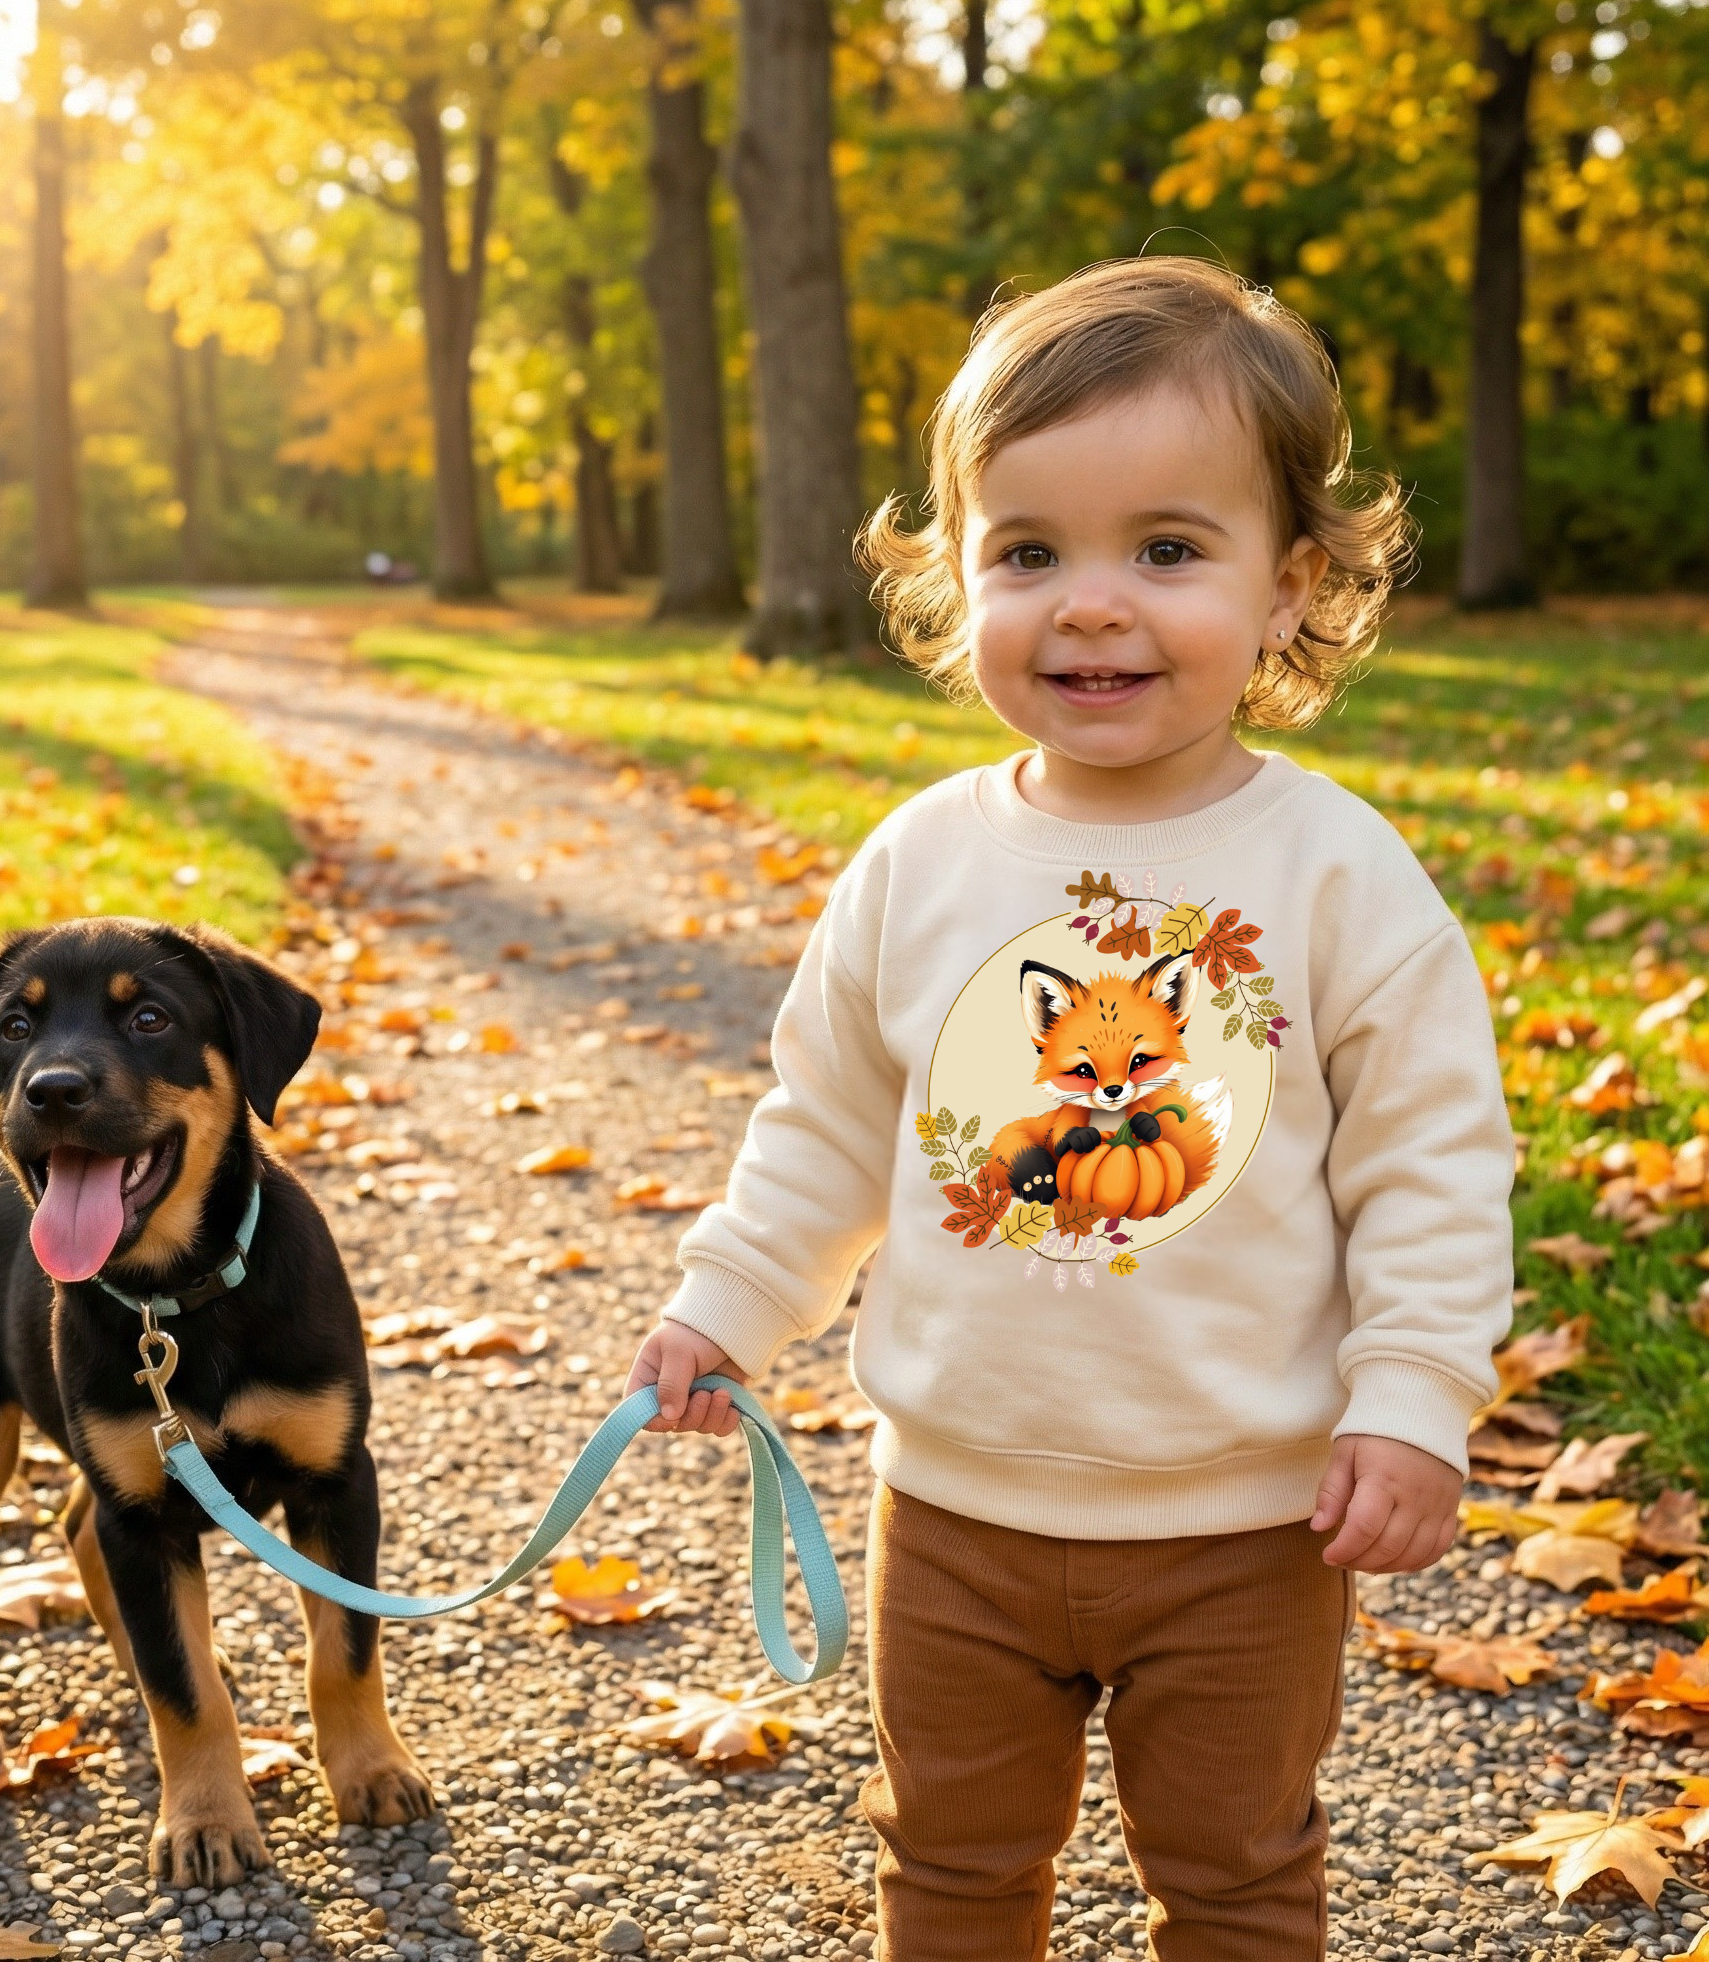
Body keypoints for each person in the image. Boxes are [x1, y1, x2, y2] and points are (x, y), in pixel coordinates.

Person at [623, 256, 1515, 1960]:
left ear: (1289, 586)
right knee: (948, 1864)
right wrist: (728, 1299)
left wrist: (1413, 1394)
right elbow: (827, 1116)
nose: (1091, 603)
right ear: (959, 583)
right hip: (952, 1509)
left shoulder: (1335, 872)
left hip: (1244, 1522)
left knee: (1238, 1872)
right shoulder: (925, 861)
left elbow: (1431, 1163)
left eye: (1168, 550)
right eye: (1029, 552)